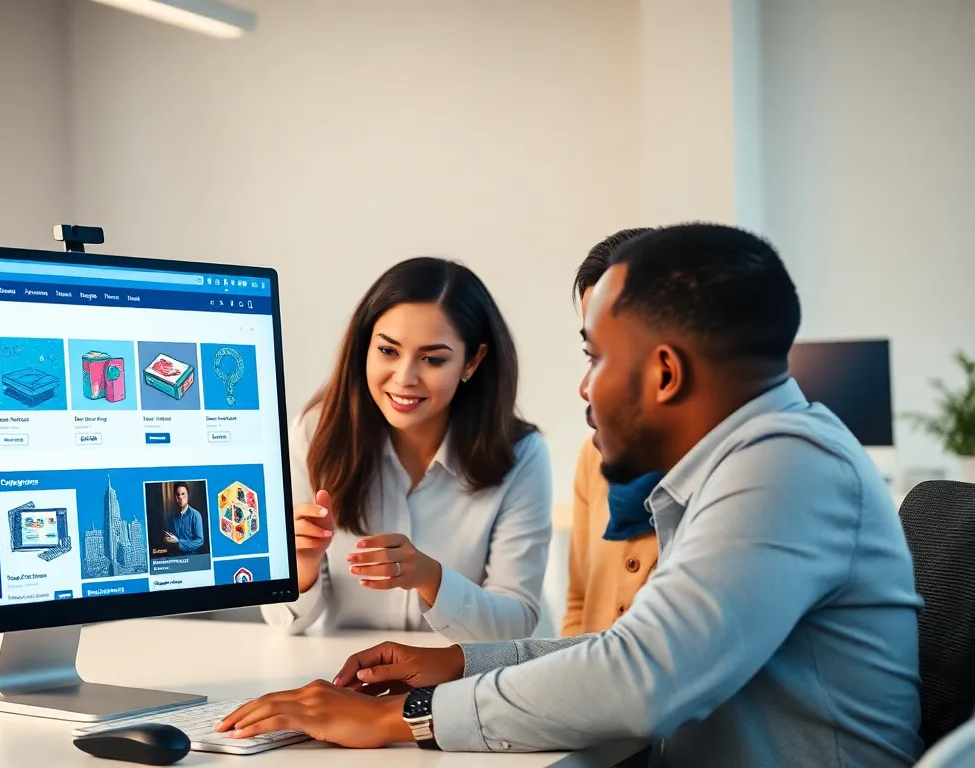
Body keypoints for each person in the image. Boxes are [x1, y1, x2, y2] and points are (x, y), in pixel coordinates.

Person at [219, 224, 923, 767]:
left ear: (666, 372)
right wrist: (460, 662)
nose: (584, 388)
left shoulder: (785, 469)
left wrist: (402, 716)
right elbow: (625, 648)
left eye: (594, 356)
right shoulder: (750, 459)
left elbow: (639, 679)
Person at [262, 257, 552, 642]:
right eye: (388, 351)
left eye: (433, 359)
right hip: (348, 681)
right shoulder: (316, 433)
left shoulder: (522, 455)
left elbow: (516, 622)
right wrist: (302, 566)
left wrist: (431, 578)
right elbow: (286, 622)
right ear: (365, 346)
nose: (404, 378)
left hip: (461, 688)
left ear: (473, 361)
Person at [562, 227, 663, 637]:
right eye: (590, 353)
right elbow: (577, 604)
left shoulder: (723, 479)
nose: (586, 388)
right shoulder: (594, 454)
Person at [164, 482, 204, 553]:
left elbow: (199, 541)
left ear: (188, 495)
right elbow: (169, 536)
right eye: (177, 495)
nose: (180, 497)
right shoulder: (172, 517)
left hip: (192, 556)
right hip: (175, 556)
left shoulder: (195, 515)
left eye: (183, 494)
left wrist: (178, 542)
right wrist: (167, 540)